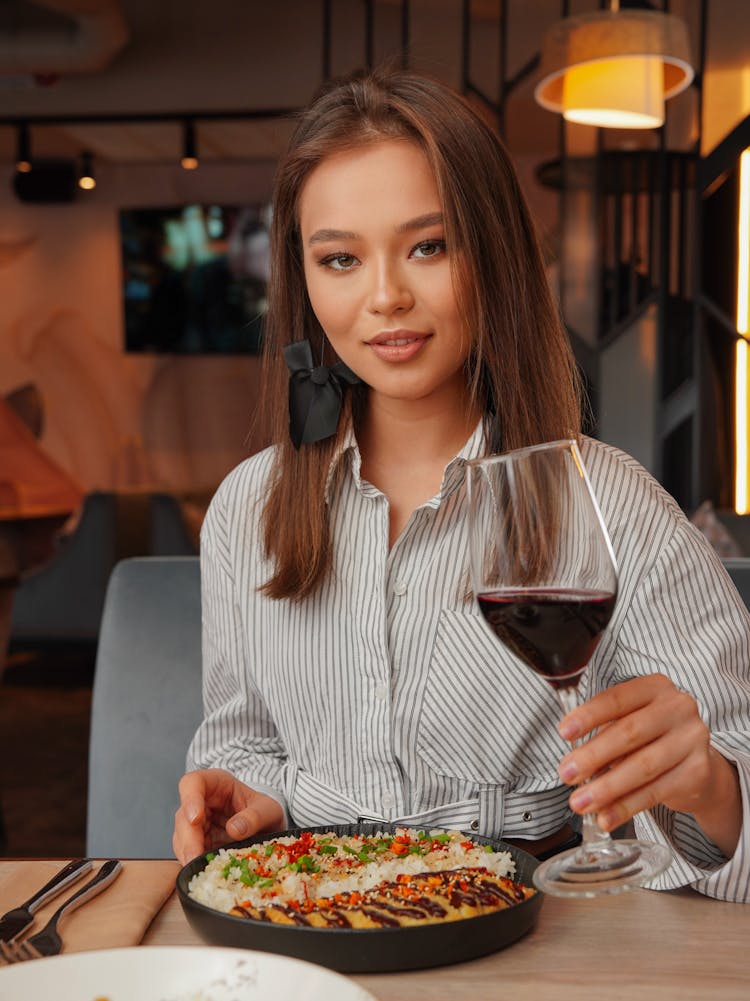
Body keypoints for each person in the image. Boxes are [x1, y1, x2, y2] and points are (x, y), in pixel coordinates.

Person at [173, 67, 749, 902]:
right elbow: (244, 744)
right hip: (320, 931)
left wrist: (711, 788)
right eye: (339, 258)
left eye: (428, 246)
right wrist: (248, 800)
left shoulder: (612, 501)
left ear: (494, 254)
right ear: (303, 281)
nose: (385, 297)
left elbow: (737, 820)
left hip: (537, 937)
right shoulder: (247, 510)